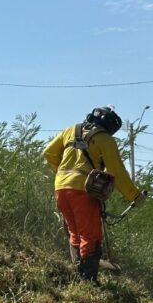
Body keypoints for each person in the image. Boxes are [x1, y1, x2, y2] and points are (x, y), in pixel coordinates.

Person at [44, 105, 146, 283]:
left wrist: (64, 174)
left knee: (75, 233)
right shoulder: (105, 139)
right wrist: (135, 196)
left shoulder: (70, 130)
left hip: (60, 188)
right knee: (90, 236)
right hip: (83, 191)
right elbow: (117, 172)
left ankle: (78, 275)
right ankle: (88, 281)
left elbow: (49, 153)